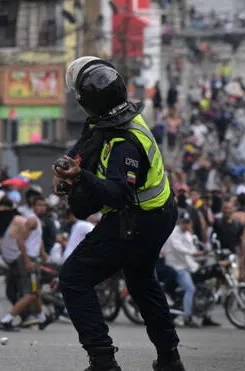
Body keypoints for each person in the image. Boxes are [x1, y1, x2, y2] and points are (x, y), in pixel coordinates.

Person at [55, 56, 183, 371]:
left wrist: (81, 178)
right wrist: (67, 165)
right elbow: (85, 145)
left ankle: (102, 359)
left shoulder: (124, 142)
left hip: (139, 219)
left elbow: (118, 193)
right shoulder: (113, 119)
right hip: (158, 214)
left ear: (88, 101)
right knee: (141, 281)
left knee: (73, 278)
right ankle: (169, 359)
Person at [0, 195, 52, 331]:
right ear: (33, 206)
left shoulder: (37, 221)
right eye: (39, 205)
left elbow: (37, 240)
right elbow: (20, 240)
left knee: (36, 291)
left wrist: (43, 254)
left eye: (44, 205)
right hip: (28, 260)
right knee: (31, 293)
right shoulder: (32, 220)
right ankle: (6, 320)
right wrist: (27, 260)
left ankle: (42, 318)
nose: (42, 208)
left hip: (33, 259)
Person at [161, 211, 205, 327]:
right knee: (190, 289)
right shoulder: (173, 233)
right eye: (183, 222)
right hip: (177, 267)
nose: (185, 225)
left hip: (187, 266)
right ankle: (187, 316)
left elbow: (192, 248)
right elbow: (178, 248)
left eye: (187, 223)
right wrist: (194, 253)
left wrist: (201, 256)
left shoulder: (187, 235)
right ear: (179, 222)